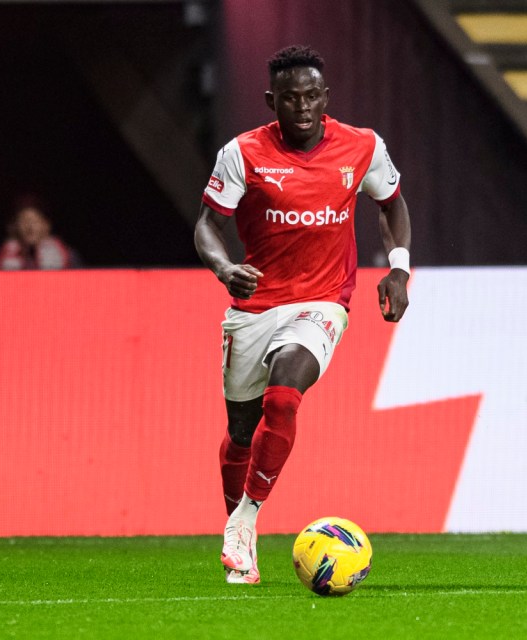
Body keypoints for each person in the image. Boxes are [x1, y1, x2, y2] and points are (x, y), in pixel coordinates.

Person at [194, 45, 412, 585]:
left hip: (323, 301)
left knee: (285, 392)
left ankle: (246, 520)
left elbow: (392, 204)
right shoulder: (242, 153)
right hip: (255, 305)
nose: (303, 107)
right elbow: (206, 224)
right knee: (241, 431)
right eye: (290, 98)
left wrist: (399, 269)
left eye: (312, 95)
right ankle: (238, 533)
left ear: (325, 96)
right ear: (272, 101)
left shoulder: (362, 146)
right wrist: (224, 269)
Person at [0, 196, 80, 270]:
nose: (30, 228)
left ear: (46, 225)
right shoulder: (0, 256)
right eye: (24, 221)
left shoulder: (69, 256)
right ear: (13, 226)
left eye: (36, 221)